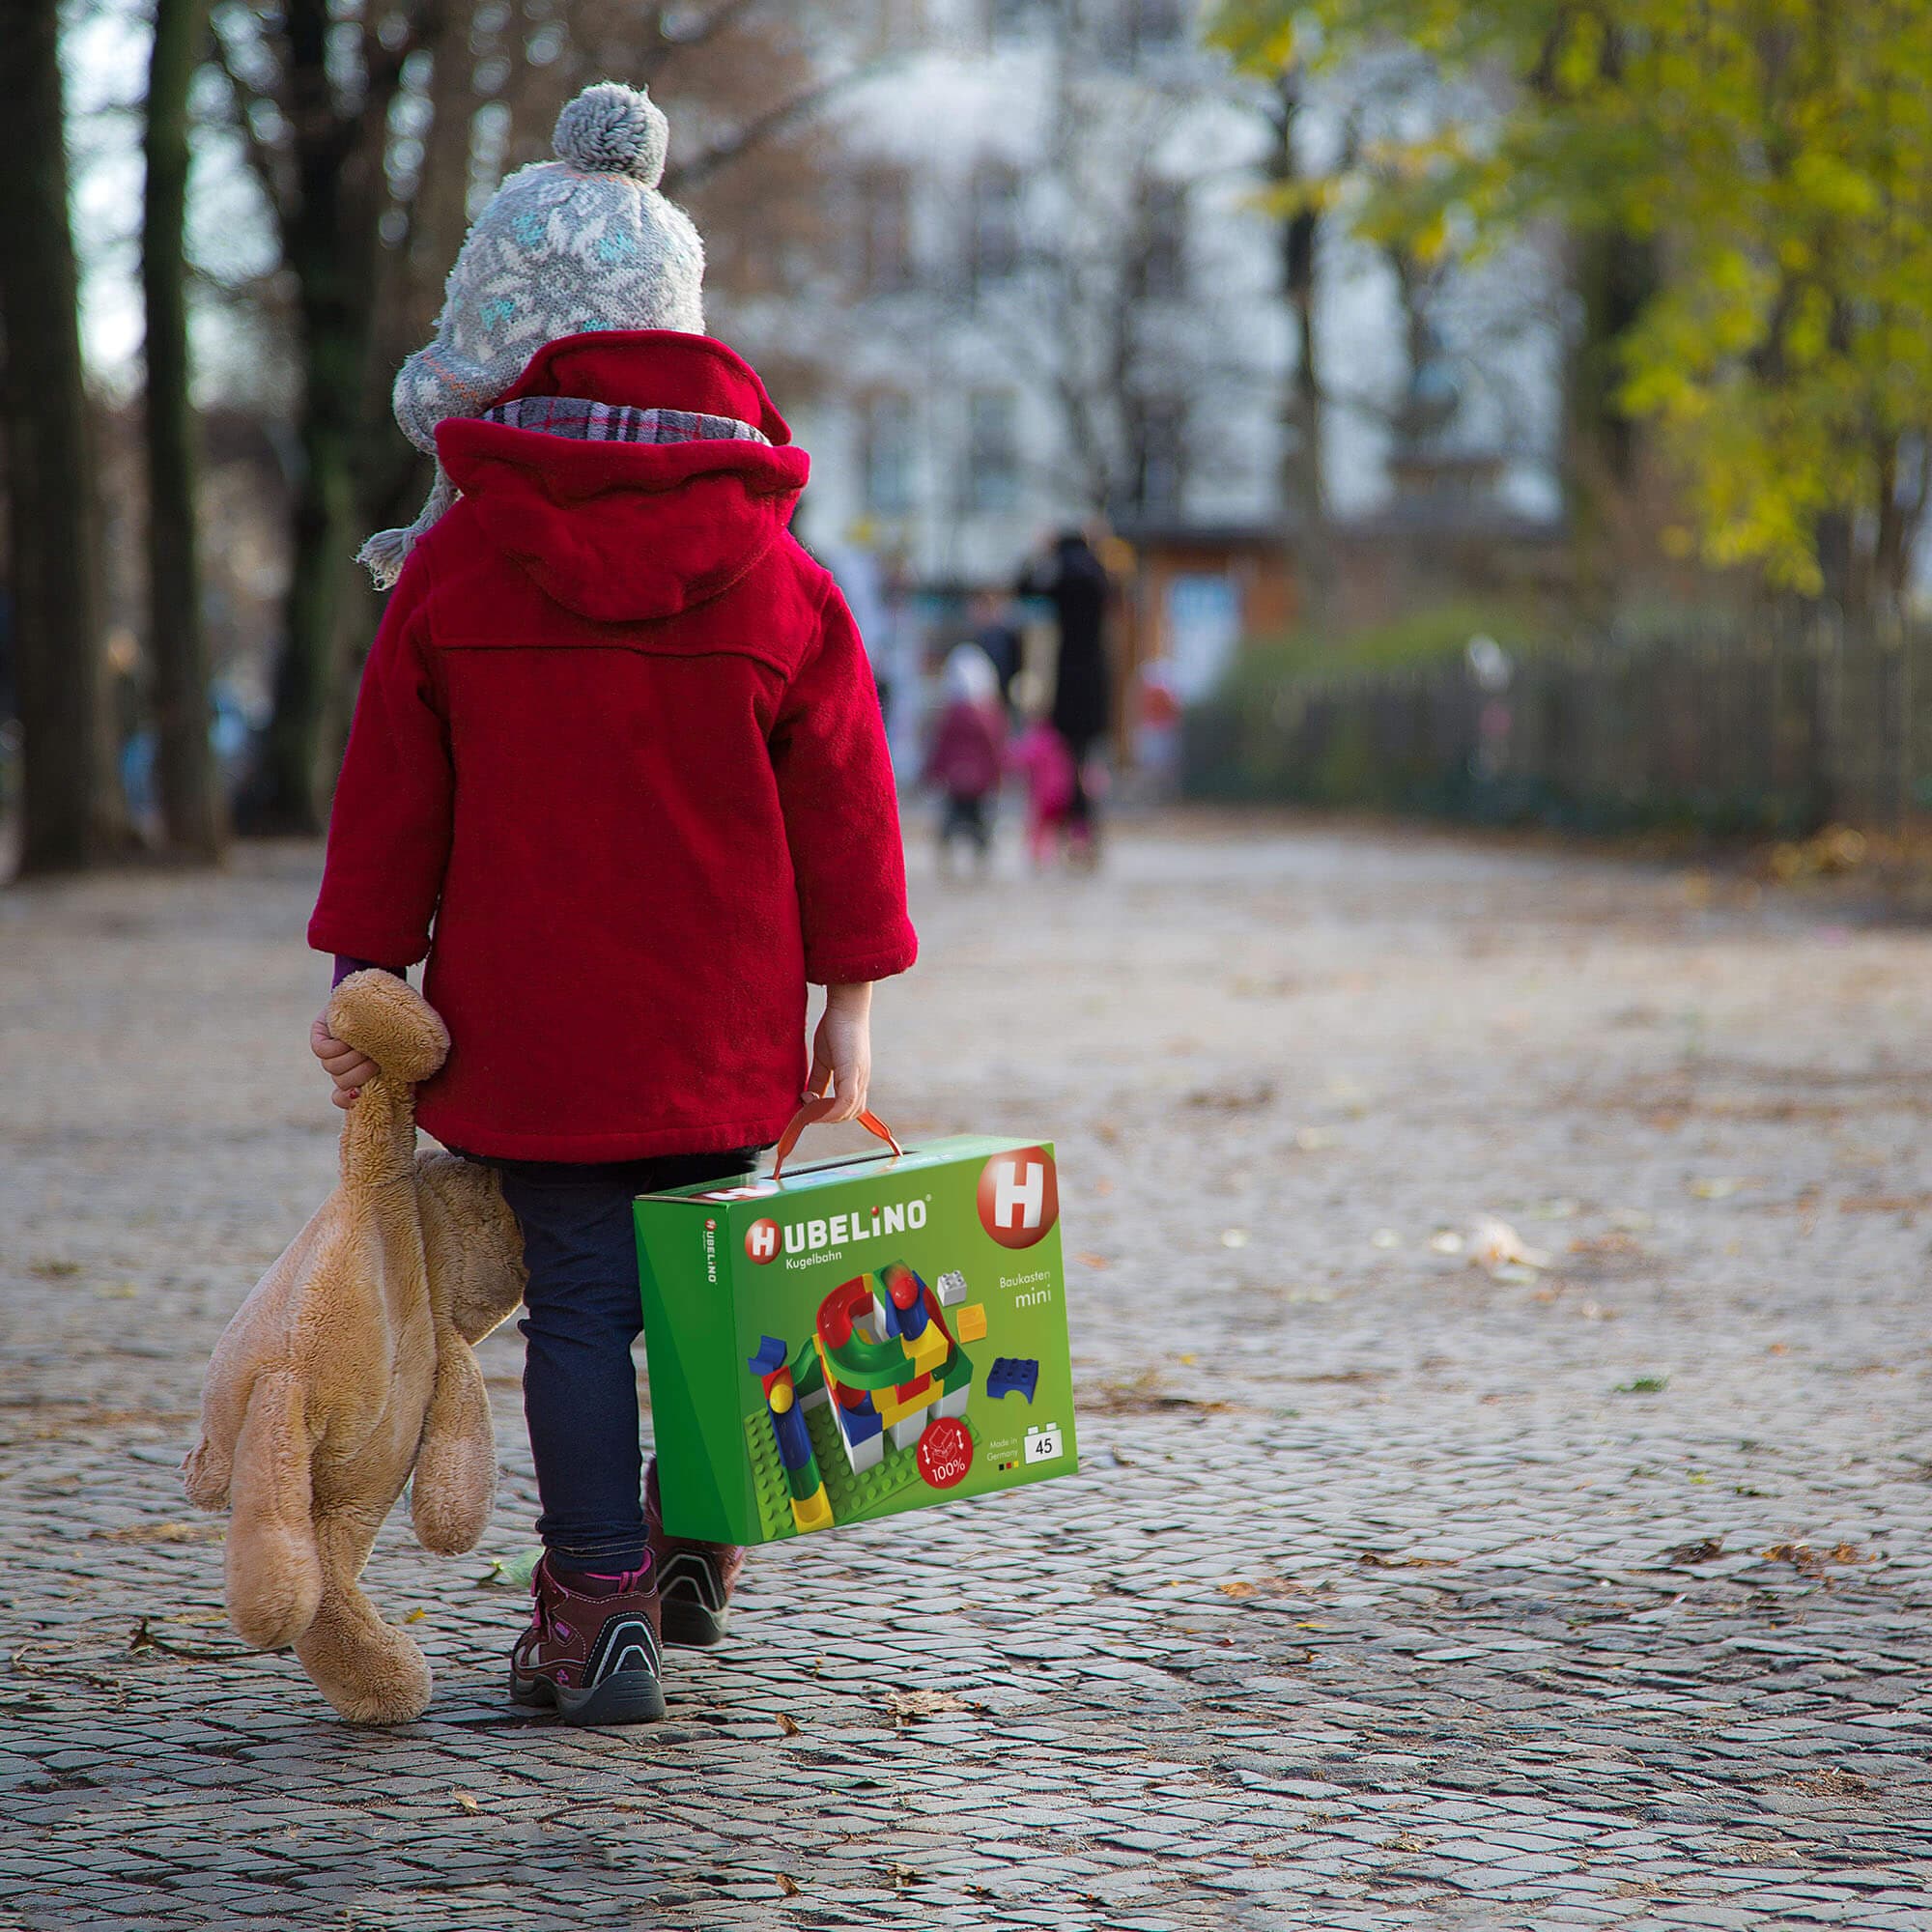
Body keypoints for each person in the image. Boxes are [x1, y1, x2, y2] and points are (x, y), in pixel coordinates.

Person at [304, 83, 916, 1728]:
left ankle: (593, 1608)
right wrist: (845, 1010)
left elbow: (393, 797)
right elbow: (846, 805)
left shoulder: (458, 563)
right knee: (714, 1283)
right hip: (719, 1018)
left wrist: (372, 973)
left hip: (541, 1014)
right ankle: (700, 1535)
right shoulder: (780, 567)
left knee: (580, 1306)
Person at [1019, 529, 1113, 856]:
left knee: (1064, 763)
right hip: (1096, 682)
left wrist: (1038, 556)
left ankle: (1072, 828)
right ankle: (1084, 829)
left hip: (1066, 683)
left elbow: (1025, 588)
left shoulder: (1060, 577)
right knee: (1084, 760)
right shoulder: (1097, 574)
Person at [922, 642, 1006, 875]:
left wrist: (931, 773)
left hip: (955, 781)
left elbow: (939, 749)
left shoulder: (948, 716)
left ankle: (945, 858)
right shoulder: (990, 717)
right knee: (979, 825)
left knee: (951, 822)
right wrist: (998, 775)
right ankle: (980, 862)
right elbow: (995, 750)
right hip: (979, 783)